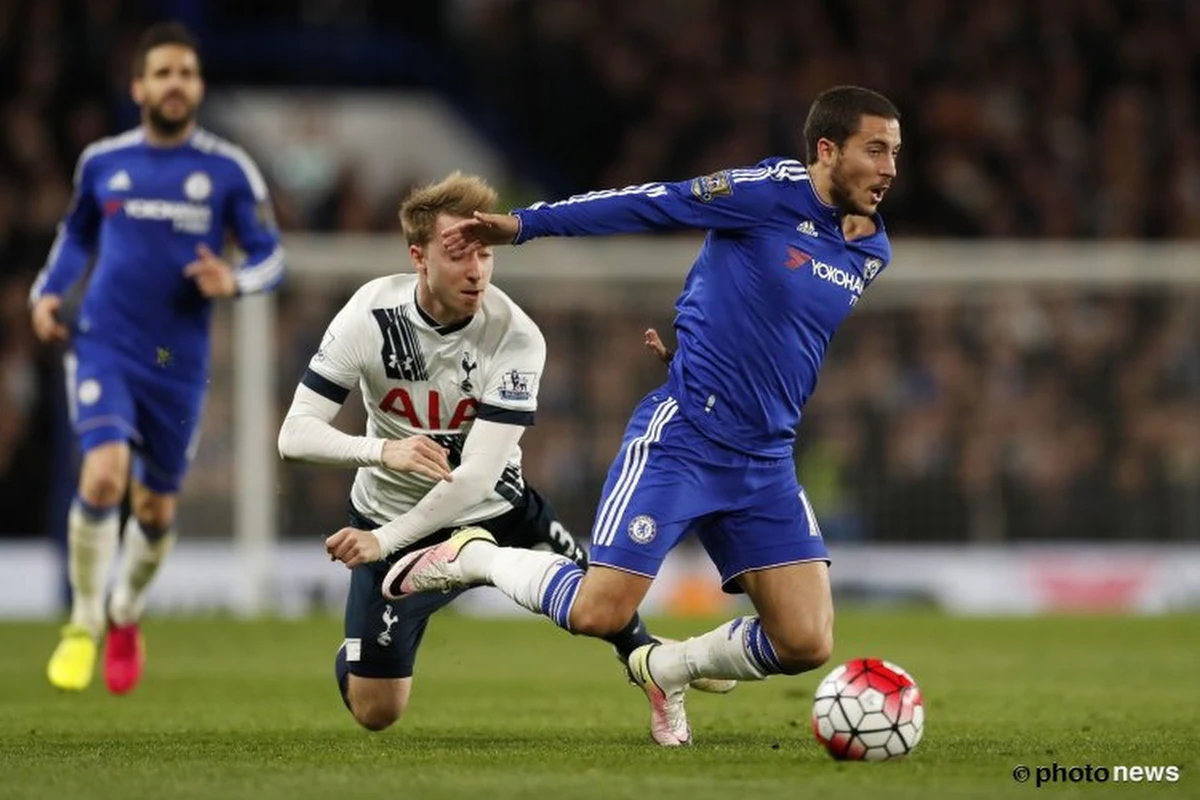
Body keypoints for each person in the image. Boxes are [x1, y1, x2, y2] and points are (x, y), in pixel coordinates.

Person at [377, 86, 901, 746]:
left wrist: (705, 342)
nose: (889, 169)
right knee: (600, 611)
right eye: (875, 150)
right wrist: (526, 225)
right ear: (828, 150)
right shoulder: (768, 191)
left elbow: (780, 324)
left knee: (804, 641)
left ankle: (666, 666)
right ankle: (476, 555)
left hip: (765, 457)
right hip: (684, 439)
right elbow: (655, 203)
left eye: (895, 154)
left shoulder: (872, 249)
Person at [280, 172, 730, 732]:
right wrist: (383, 452)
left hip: (497, 510)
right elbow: (294, 435)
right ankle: (364, 647)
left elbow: (476, 477)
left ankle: (660, 664)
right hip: (391, 518)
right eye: (458, 255)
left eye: (485, 254)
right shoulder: (369, 315)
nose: (476, 270)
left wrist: (379, 542)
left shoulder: (516, 335)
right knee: (377, 712)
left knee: (603, 603)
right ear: (418, 257)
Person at [30, 22, 285, 694]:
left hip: (177, 358)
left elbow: (271, 255)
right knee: (105, 474)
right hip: (103, 341)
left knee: (154, 510)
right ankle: (82, 621)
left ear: (198, 87)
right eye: (164, 73)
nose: (177, 84)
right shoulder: (103, 162)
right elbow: (76, 236)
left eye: (188, 73)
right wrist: (48, 293)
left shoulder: (227, 170)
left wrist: (237, 280)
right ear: (138, 85)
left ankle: (125, 611)